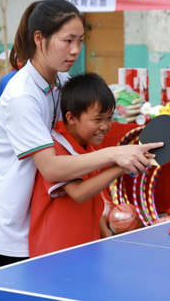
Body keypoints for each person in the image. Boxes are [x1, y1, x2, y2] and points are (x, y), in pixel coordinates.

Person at [0, 0, 161, 271]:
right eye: (67, 40)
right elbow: (51, 167)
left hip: (42, 226)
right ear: (39, 38)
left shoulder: (63, 83)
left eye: (80, 40)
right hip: (9, 232)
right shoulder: (21, 96)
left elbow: (77, 148)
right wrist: (114, 155)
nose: (75, 50)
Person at [29, 73, 123, 257]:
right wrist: (120, 166)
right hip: (54, 254)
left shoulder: (88, 146)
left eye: (109, 118)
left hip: (84, 249)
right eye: (98, 119)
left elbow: (93, 202)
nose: (105, 126)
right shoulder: (56, 147)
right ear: (71, 118)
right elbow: (79, 193)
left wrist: (106, 238)